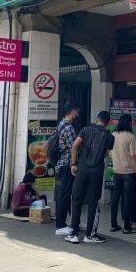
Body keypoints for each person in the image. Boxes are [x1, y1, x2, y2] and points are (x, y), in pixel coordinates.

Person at [65, 111, 115, 244]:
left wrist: (73, 164)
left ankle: (73, 234)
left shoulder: (85, 130)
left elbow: (74, 146)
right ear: (108, 122)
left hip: (81, 170)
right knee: (93, 203)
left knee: (76, 200)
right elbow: (105, 155)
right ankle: (90, 235)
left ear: (97, 119)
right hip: (97, 172)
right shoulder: (110, 137)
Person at [109, 114, 136, 234]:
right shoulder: (130, 137)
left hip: (116, 171)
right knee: (127, 199)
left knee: (115, 198)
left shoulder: (113, 135)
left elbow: (110, 154)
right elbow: (133, 157)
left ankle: (113, 224)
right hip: (128, 172)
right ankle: (126, 226)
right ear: (129, 123)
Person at [54, 101, 80, 236]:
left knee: (65, 193)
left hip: (61, 163)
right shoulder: (69, 127)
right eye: (76, 110)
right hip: (67, 164)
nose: (78, 113)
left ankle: (66, 222)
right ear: (72, 111)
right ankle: (60, 225)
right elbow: (74, 146)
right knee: (65, 194)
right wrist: (74, 164)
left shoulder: (61, 124)